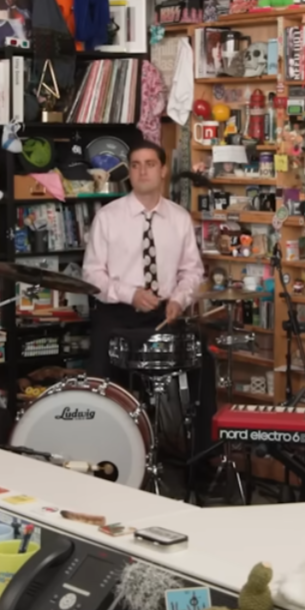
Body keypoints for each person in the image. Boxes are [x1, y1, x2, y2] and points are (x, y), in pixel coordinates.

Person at [83, 141, 215, 462]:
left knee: (205, 362)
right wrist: (130, 294)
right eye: (136, 164)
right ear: (129, 171)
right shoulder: (108, 217)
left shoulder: (180, 218)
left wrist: (179, 300)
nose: (143, 171)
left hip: (163, 314)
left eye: (150, 164)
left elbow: (192, 271)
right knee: (99, 376)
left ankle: (200, 460)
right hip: (117, 314)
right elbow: (91, 275)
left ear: (163, 170)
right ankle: (103, 457)